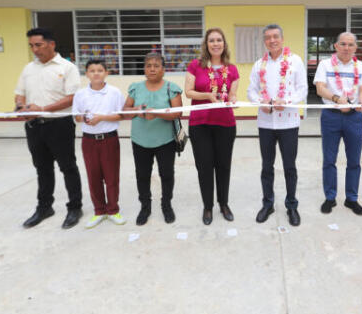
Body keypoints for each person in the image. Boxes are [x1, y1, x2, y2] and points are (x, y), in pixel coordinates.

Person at [15, 27, 83, 229]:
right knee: (42, 168)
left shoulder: (67, 67)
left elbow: (72, 97)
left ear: (51, 44)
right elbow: (20, 93)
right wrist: (20, 106)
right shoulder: (29, 69)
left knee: (68, 167)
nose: (35, 50)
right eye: (31, 46)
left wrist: (43, 109)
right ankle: (44, 207)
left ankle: (74, 207)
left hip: (59, 125)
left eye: (38, 45)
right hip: (34, 126)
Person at [247, 24, 308, 226]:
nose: (272, 40)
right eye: (267, 38)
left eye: (275, 36)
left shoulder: (295, 61)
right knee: (267, 166)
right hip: (265, 123)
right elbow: (251, 91)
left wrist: (287, 101)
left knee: (290, 167)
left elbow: (302, 89)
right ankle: (268, 204)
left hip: (289, 122)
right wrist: (261, 103)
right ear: (264, 41)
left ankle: (292, 205)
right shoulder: (258, 65)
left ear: (282, 38)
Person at [185, 28, 240, 225]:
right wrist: (207, 96)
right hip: (200, 124)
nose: (215, 43)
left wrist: (233, 99)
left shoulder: (232, 69)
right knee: (204, 167)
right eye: (211, 40)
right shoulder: (195, 66)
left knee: (224, 166)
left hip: (225, 124)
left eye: (219, 40)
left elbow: (233, 94)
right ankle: (208, 206)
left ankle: (223, 204)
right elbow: (189, 92)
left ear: (224, 44)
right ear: (206, 44)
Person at [313, 32, 362, 215]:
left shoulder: (361, 66)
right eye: (343, 44)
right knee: (329, 159)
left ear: (355, 48)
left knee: (354, 159)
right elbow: (320, 88)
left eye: (351, 45)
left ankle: (351, 199)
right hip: (331, 115)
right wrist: (338, 100)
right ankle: (330, 197)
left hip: (354, 117)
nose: (347, 48)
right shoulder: (325, 64)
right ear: (336, 46)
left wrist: (361, 102)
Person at [123, 53, 182, 226]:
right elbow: (125, 111)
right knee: (142, 175)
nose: (152, 69)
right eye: (148, 65)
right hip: (140, 140)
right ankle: (145, 207)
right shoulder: (135, 88)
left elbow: (178, 113)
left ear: (164, 69)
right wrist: (137, 110)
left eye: (156, 65)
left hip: (165, 141)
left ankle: (166, 205)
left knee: (166, 174)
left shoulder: (171, 88)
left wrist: (155, 112)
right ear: (144, 69)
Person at [72, 59, 126, 229]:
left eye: (100, 70)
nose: (96, 73)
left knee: (111, 177)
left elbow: (120, 115)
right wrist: (85, 118)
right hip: (89, 140)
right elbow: (77, 116)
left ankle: (113, 210)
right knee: (93, 176)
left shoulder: (114, 92)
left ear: (106, 73)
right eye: (92, 70)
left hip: (109, 139)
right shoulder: (80, 94)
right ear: (87, 74)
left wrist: (101, 117)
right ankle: (99, 210)